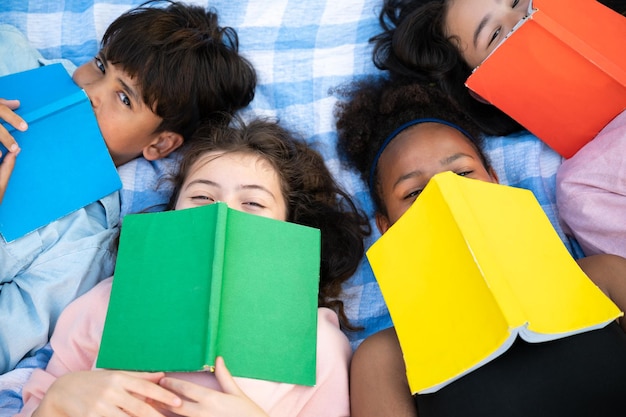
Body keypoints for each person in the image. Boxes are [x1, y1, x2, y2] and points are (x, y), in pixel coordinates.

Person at [17, 116, 370, 417]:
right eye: (202, 197)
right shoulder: (110, 301)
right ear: (172, 216)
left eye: (252, 202)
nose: (221, 215)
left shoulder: (317, 341)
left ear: (291, 228)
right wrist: (57, 399)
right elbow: (38, 399)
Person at [334, 76, 626, 417]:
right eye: (414, 193)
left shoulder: (602, 276)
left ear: (495, 181)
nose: (445, 197)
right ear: (386, 226)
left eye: (461, 174)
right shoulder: (385, 358)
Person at [0, 0, 257, 376]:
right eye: (100, 66)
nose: (91, 91)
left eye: (123, 98)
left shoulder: (85, 246)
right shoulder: (10, 54)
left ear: (160, 145)